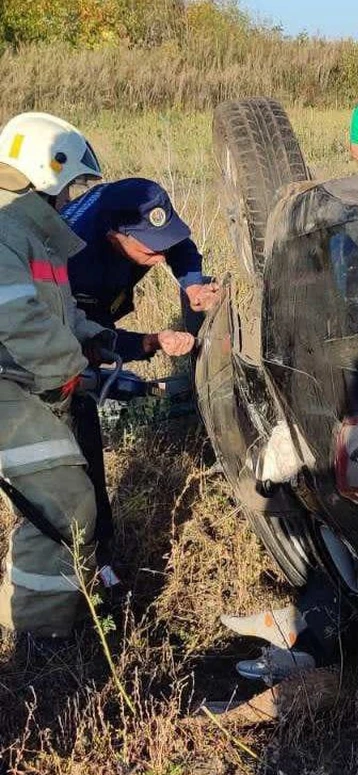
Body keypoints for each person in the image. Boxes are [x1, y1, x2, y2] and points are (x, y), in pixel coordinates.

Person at [58, 178, 219, 573]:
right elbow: (90, 342)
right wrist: (151, 341)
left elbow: (177, 244)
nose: (161, 257)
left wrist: (193, 284)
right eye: (150, 249)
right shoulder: (72, 262)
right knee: (80, 425)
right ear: (115, 236)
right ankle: (95, 554)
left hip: (95, 300)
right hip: (55, 336)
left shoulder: (141, 198)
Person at [0, 112, 114, 653]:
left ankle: (27, 609)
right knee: (64, 501)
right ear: (46, 172)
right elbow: (18, 320)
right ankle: (41, 642)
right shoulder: (5, 229)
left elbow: (59, 315)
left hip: (26, 388)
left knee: (45, 501)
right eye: (70, 185)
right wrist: (73, 370)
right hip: (9, 389)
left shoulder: (33, 234)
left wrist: (112, 342)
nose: (73, 197)